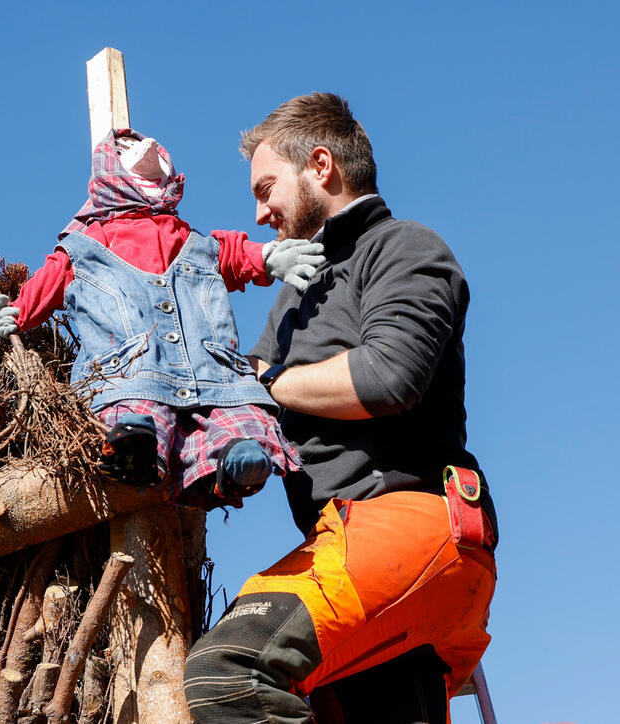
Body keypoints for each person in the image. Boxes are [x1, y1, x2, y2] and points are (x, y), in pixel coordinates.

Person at [182, 93, 499, 723]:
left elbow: (388, 376)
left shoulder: (404, 248)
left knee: (228, 673)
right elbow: (246, 397)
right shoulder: (294, 305)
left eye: (266, 186)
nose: (258, 210)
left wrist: (268, 380)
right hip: (345, 548)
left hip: (411, 522)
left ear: (321, 165)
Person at [0, 129, 322, 509]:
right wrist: (19, 310)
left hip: (212, 376)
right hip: (130, 376)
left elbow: (229, 254)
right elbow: (48, 283)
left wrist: (267, 257)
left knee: (233, 421)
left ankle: (230, 468)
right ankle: (135, 453)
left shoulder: (189, 238)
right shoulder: (84, 246)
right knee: (139, 420)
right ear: (111, 177)